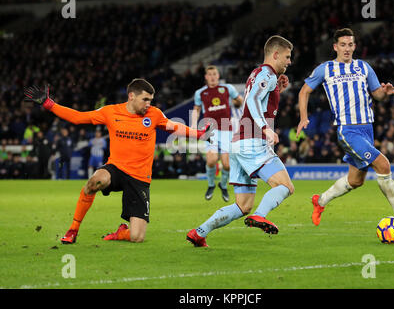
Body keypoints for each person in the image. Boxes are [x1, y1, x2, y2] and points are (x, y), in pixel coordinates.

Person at [23, 79, 212, 244]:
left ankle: (121, 233)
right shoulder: (110, 112)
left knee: (137, 237)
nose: (148, 104)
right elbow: (79, 118)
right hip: (116, 169)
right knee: (95, 180)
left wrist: (199, 134)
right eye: (145, 99)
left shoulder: (154, 115)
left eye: (150, 100)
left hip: (139, 178)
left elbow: (175, 127)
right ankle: (73, 229)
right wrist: (49, 104)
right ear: (131, 96)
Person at [296, 28, 394, 228]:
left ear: (355, 46)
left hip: (367, 129)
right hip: (348, 130)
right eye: (342, 45)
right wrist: (303, 117)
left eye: (350, 44)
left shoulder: (363, 67)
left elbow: (376, 94)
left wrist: (384, 92)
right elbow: (304, 91)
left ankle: (320, 201)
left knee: (355, 180)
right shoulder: (325, 69)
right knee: (383, 165)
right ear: (335, 47)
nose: (347, 48)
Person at [187, 35, 295, 247]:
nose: (289, 61)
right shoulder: (268, 74)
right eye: (287, 56)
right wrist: (265, 129)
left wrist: (277, 90)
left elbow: (257, 99)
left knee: (242, 205)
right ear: (275, 55)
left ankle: (199, 232)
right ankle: (260, 215)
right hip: (253, 141)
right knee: (285, 186)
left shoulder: (258, 73)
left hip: (237, 144)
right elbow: (252, 100)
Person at [191, 65, 243, 202]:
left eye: (215, 74)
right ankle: (211, 185)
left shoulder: (228, 89)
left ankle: (223, 185)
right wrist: (193, 126)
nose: (213, 77)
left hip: (226, 127)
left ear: (218, 76)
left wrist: (237, 103)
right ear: (206, 77)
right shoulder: (200, 93)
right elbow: (196, 109)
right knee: (212, 160)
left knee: (227, 164)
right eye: (210, 74)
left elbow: (240, 101)